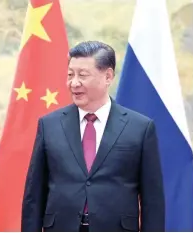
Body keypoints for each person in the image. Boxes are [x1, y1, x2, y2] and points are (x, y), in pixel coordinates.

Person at [21, 41, 165, 232]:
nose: (74, 83)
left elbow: (152, 200)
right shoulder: (50, 125)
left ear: (108, 76)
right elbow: (34, 194)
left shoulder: (140, 128)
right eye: (70, 74)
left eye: (83, 75)